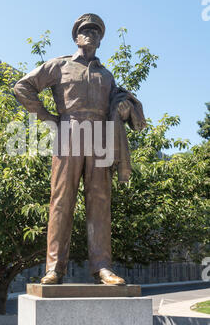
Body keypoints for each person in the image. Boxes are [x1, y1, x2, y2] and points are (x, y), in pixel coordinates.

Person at [14, 14, 146, 285]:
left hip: (100, 137)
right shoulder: (59, 65)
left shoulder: (106, 75)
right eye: (85, 30)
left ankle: (102, 267)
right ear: (76, 37)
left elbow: (124, 108)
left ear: (100, 40)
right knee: (61, 201)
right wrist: (48, 118)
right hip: (69, 133)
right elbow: (23, 86)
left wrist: (123, 108)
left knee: (100, 203)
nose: (91, 35)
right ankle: (54, 268)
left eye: (96, 32)